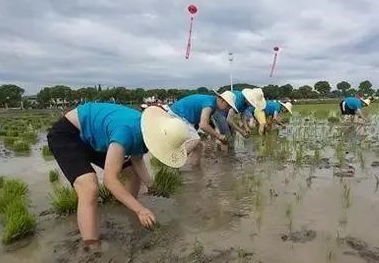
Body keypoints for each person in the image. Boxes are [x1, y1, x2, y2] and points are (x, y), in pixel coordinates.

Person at [46, 103, 191, 251]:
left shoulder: (145, 131)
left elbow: (137, 160)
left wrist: (150, 185)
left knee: (132, 173)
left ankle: (125, 207)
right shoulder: (126, 133)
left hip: (95, 137)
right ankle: (92, 247)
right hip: (68, 134)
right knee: (89, 188)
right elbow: (110, 180)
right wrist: (141, 210)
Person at [168, 91, 238, 165]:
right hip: (177, 114)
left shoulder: (213, 105)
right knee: (194, 140)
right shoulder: (209, 104)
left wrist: (217, 138)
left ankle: (195, 170)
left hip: (183, 118)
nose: (228, 109)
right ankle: (172, 163)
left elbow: (208, 124)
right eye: (228, 106)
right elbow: (203, 125)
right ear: (222, 100)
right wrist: (219, 136)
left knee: (199, 146)